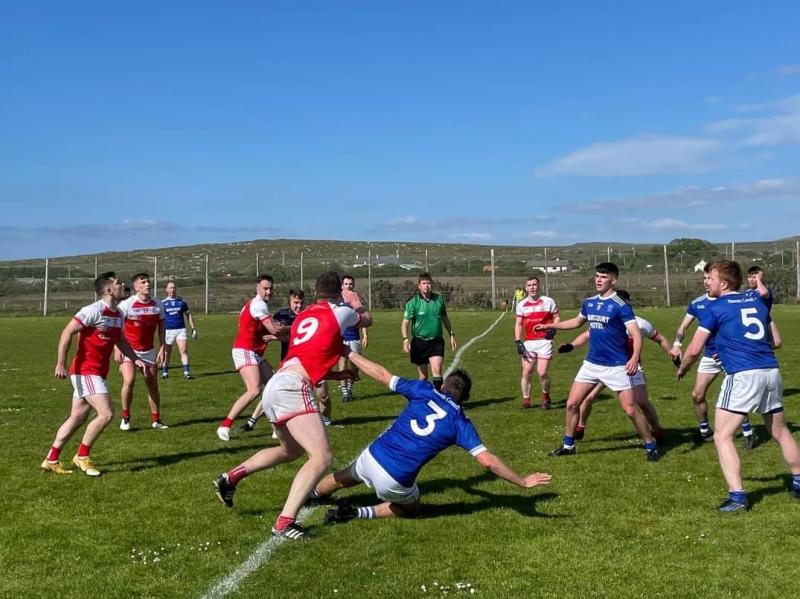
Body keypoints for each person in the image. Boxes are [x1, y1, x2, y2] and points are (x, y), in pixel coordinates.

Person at [213, 272, 372, 541]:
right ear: (338, 294)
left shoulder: (304, 315)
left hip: (277, 384)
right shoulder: (339, 311)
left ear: (315, 292)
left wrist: (337, 375)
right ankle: (284, 522)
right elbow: (367, 320)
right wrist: (356, 302)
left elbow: (309, 358)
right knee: (322, 457)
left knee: (290, 450)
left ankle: (231, 477)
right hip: (292, 387)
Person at [310, 351, 552, 524]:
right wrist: (522, 482)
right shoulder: (460, 422)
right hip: (394, 480)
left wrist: (349, 354)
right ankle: (357, 513)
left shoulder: (423, 390)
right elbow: (487, 461)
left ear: (443, 386)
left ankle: (310, 496)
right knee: (412, 508)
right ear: (465, 399)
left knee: (344, 476)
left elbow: (383, 375)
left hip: (372, 456)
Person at [677, 260, 800, 511]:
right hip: (770, 371)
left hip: (744, 376)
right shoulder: (757, 300)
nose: (707, 282)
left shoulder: (715, 307)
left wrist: (683, 367)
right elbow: (766, 327)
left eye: (710, 277)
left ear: (723, 283)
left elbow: (694, 349)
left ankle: (737, 497)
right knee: (780, 431)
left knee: (722, 436)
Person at [536, 262, 660, 462]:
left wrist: (635, 358)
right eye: (597, 276)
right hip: (592, 364)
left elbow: (636, 334)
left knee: (629, 409)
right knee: (571, 404)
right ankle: (568, 445)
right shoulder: (590, 302)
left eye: (603, 277)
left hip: (616, 365)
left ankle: (650, 443)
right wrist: (550, 325)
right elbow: (576, 322)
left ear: (614, 279)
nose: (598, 280)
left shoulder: (621, 305)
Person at [41, 272, 146, 476]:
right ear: (108, 290)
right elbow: (67, 332)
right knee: (106, 413)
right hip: (86, 371)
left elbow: (120, 341)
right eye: (118, 283)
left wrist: (136, 358)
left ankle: (51, 459)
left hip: (98, 372)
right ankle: (82, 456)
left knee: (77, 418)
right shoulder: (92, 310)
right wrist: (60, 363)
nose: (123, 285)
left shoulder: (119, 314)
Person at [559, 291, 668, 442]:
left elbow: (660, 339)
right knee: (588, 398)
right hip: (603, 365)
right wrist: (571, 345)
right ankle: (580, 428)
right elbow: (586, 335)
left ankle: (656, 430)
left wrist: (673, 352)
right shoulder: (606, 320)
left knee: (641, 403)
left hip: (629, 367)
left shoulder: (640, 323)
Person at [669, 264, 755, 449]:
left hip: (728, 356)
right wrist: (677, 344)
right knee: (697, 395)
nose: (707, 282)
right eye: (705, 278)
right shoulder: (698, 303)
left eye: (710, 278)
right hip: (709, 356)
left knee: (736, 396)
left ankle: (747, 431)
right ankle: (704, 430)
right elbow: (683, 327)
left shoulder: (727, 302)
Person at [237, 290, 333, 431]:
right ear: (289, 302)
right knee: (274, 392)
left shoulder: (310, 315)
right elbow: (268, 329)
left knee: (323, 396)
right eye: (295, 303)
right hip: (289, 364)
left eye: (301, 302)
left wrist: (275, 337)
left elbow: (292, 336)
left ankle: (326, 420)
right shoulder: (281, 315)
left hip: (312, 361)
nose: (298, 306)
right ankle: (252, 421)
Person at [216, 275, 288, 441]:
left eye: (270, 288)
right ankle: (225, 426)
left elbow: (275, 333)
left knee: (273, 387)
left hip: (254, 352)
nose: (269, 291)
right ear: (257, 288)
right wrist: (296, 326)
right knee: (254, 389)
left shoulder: (257, 305)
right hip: (245, 350)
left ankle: (276, 428)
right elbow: (274, 330)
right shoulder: (258, 305)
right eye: (265, 288)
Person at [117, 272, 168, 430]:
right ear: (136, 287)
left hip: (148, 351)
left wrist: (162, 347)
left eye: (148, 282)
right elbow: (116, 328)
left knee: (152, 384)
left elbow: (161, 328)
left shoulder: (158, 304)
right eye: (143, 282)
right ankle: (125, 417)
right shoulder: (126, 305)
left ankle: (156, 419)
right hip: (129, 350)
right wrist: (116, 348)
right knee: (129, 381)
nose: (147, 284)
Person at [401, 273, 456, 391]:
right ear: (419, 286)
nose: (427, 286)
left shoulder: (438, 300)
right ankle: (424, 401)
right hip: (419, 343)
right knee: (423, 377)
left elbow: (445, 319)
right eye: (424, 283)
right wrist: (405, 340)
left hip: (436, 342)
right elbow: (405, 323)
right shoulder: (413, 302)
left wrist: (451, 334)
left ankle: (438, 399)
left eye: (429, 283)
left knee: (437, 371)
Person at [514, 275, 560, 409]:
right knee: (526, 371)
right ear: (526, 287)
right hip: (529, 343)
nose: (532, 287)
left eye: (534, 285)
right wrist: (518, 341)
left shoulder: (548, 301)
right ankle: (526, 401)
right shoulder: (522, 304)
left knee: (542, 372)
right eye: (529, 285)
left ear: (539, 286)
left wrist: (553, 329)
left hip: (545, 342)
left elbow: (557, 317)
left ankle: (546, 397)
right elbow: (518, 324)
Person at [338, 275, 368, 402]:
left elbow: (362, 317)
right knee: (342, 363)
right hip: (342, 337)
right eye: (346, 284)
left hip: (354, 337)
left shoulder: (356, 299)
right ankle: (344, 392)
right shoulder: (338, 300)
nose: (348, 286)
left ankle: (349, 387)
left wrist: (365, 335)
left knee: (355, 366)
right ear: (342, 285)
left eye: (350, 284)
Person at [160, 280, 197, 380]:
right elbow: (160, 319)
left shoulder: (182, 301)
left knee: (183, 350)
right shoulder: (163, 303)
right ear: (167, 290)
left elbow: (188, 315)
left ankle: (186, 372)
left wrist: (193, 328)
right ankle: (165, 372)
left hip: (180, 329)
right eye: (170, 288)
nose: (173, 289)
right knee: (167, 353)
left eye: (174, 287)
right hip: (168, 331)